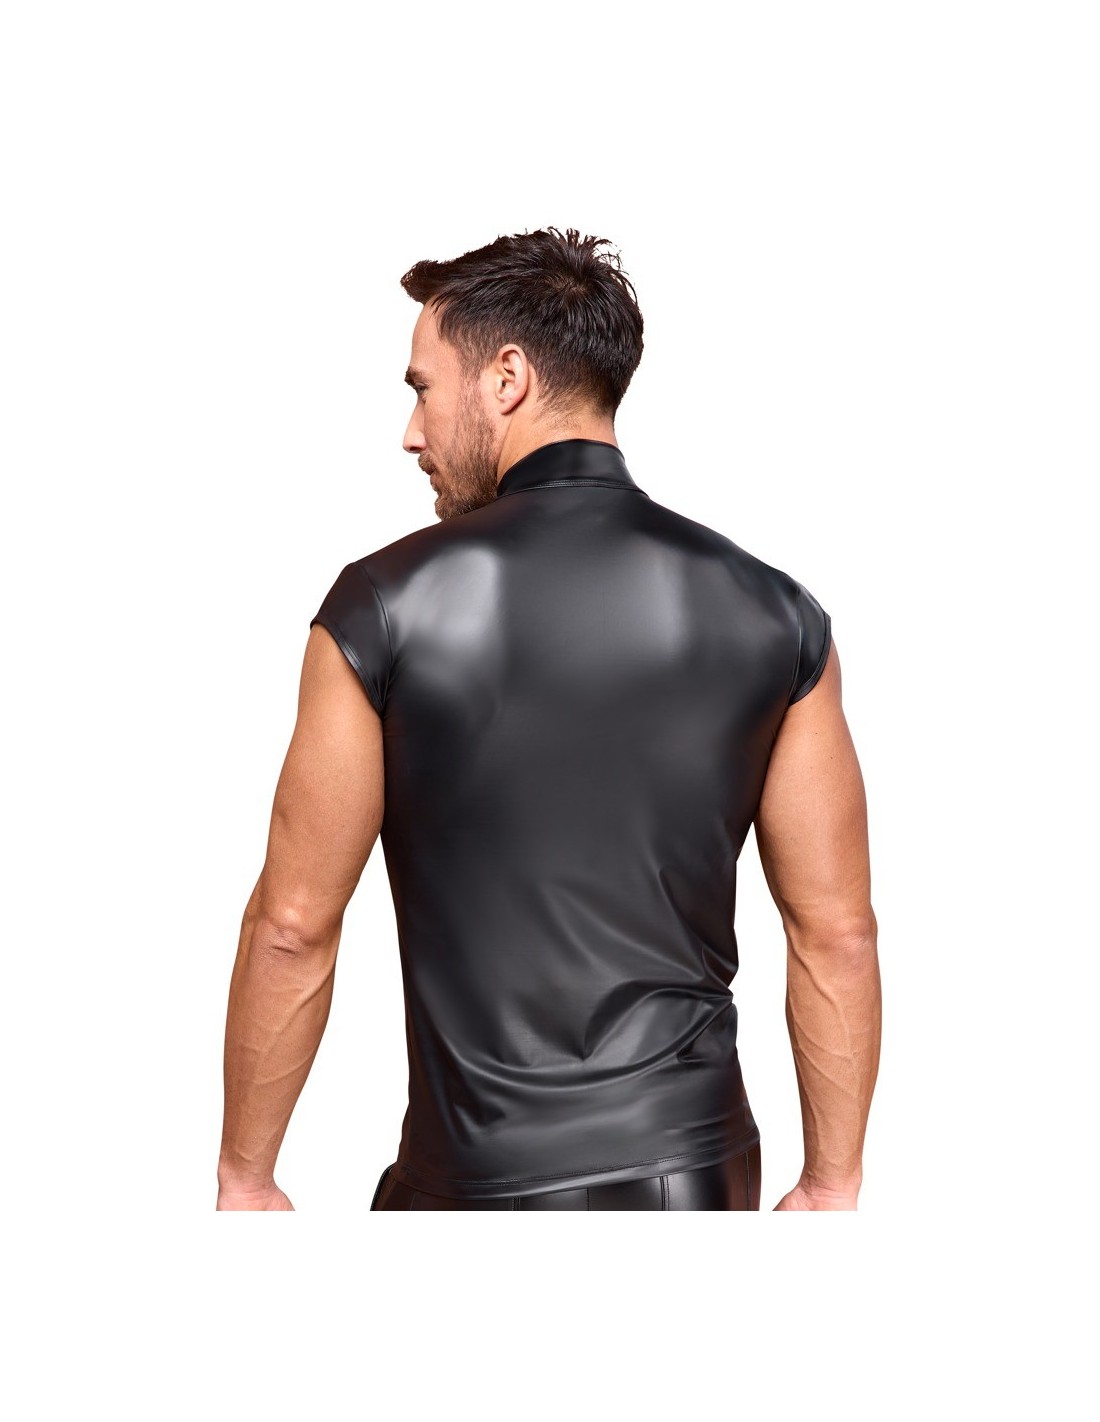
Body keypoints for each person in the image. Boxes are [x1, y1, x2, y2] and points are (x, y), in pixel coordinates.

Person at [217, 227, 881, 1212]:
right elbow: (836, 932)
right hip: (694, 1174)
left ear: (507, 378)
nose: (411, 432)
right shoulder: (774, 613)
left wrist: (246, 1176)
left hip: (475, 1183)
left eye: (422, 389)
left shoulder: (382, 606)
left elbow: (291, 926)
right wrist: (831, 1183)